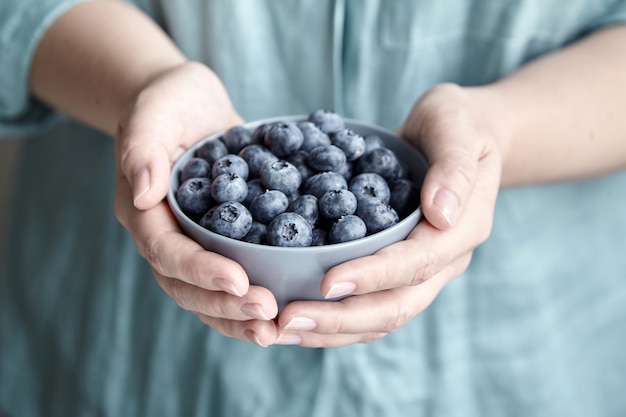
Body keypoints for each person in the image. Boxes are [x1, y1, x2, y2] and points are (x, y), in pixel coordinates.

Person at [1, 1, 625, 416]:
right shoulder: (250, 177)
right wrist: (142, 81)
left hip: (517, 355)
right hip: (131, 346)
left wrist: (502, 128)